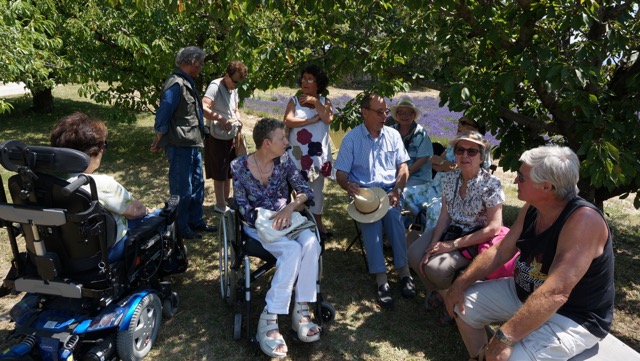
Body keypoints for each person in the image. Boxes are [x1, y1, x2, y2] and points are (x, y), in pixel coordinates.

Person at [445, 145, 614, 361]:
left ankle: (492, 355)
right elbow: (501, 250)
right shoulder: (534, 207)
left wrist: (504, 337)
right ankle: (482, 356)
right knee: (464, 305)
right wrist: (460, 284)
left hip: (573, 316)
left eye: (521, 177)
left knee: (513, 357)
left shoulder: (583, 221)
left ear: (546, 187)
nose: (516, 181)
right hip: (524, 293)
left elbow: (556, 293)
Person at [230, 118, 321, 358]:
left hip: (288, 220)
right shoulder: (238, 166)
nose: (287, 143)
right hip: (258, 226)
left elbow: (305, 190)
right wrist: (268, 219)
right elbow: (242, 206)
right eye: (282, 138)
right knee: (291, 252)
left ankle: (300, 310)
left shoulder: (284, 161)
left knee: (311, 243)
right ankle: (269, 318)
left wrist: (290, 208)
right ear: (267, 143)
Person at [408, 131, 504, 324]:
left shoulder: (491, 184)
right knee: (414, 253)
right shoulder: (450, 179)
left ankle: (448, 300)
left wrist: (451, 245)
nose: (465, 155)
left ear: (481, 156)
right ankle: (443, 294)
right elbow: (445, 215)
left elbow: (494, 227)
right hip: (451, 229)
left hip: (476, 237)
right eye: (460, 150)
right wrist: (432, 245)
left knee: (436, 268)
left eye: (472, 151)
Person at [334, 92, 415, 309]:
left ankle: (404, 272)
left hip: (389, 191)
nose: (385, 116)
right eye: (380, 112)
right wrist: (347, 185)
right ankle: (382, 279)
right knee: (370, 222)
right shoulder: (351, 139)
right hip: (365, 194)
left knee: (393, 218)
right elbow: (341, 172)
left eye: (386, 111)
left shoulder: (393, 135)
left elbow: (403, 167)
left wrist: (398, 189)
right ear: (364, 112)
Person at [50, 112, 156, 260]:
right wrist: (150, 211)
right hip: (105, 253)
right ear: (95, 150)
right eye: (103, 145)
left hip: (63, 252)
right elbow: (136, 211)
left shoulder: (49, 182)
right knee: (158, 217)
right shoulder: (101, 184)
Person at [150, 46, 216, 239]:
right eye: (201, 63)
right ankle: (181, 227)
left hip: (192, 142)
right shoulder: (175, 83)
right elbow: (165, 110)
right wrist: (159, 136)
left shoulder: (186, 82)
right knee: (181, 188)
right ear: (192, 62)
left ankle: (196, 222)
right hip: (179, 144)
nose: (202, 67)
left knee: (197, 184)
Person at [283, 64, 334, 239]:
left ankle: (318, 225)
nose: (305, 82)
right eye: (303, 78)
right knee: (296, 191)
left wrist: (315, 102)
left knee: (316, 191)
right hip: (297, 155)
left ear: (318, 83)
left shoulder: (325, 102)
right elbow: (288, 121)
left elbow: (327, 118)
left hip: (317, 156)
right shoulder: (294, 101)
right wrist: (310, 121)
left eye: (309, 79)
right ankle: (297, 223)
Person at [202, 60, 248, 214]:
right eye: (235, 81)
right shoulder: (215, 86)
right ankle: (220, 205)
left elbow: (235, 109)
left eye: (239, 82)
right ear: (227, 75)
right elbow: (203, 107)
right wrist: (221, 119)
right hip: (216, 136)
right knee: (219, 170)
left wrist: (238, 119)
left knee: (229, 170)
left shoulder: (233, 89)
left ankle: (227, 200)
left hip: (230, 135)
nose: (236, 85)